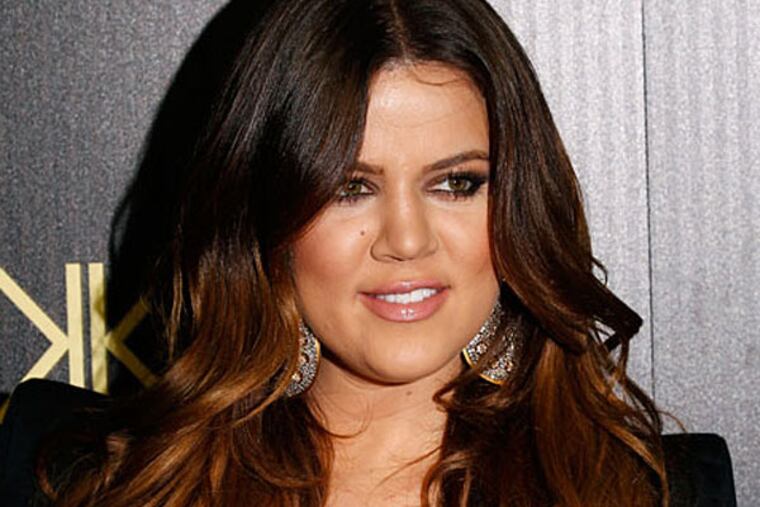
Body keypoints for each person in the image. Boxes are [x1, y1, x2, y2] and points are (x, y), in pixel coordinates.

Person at [0, 0, 737, 506]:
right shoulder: (85, 482)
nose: (407, 239)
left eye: (456, 182)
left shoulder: (655, 493)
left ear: (517, 202)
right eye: (349, 188)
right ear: (265, 216)